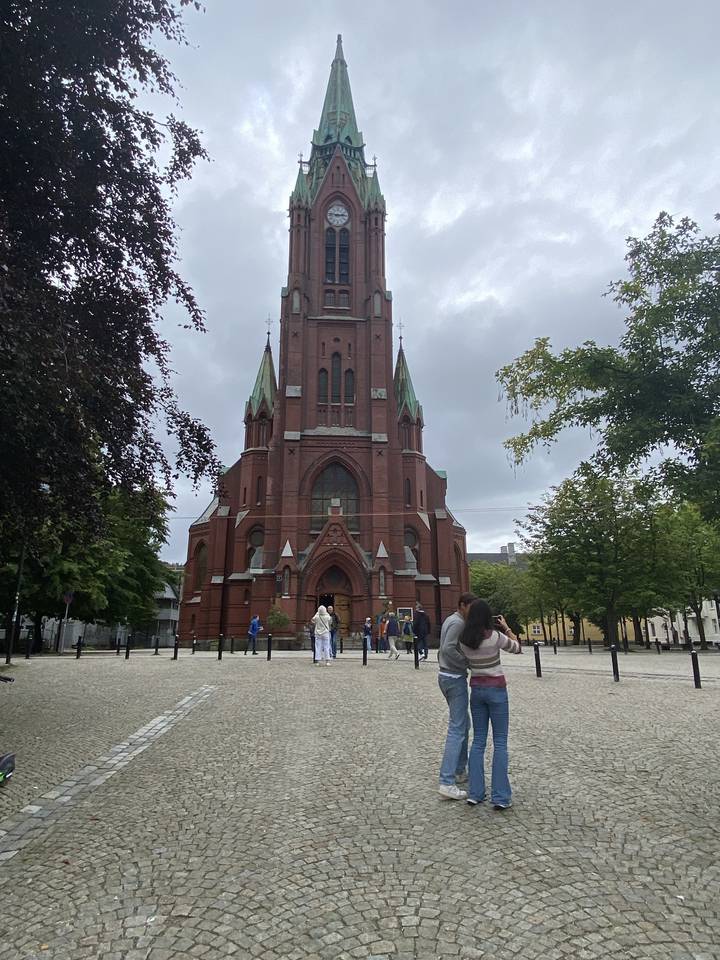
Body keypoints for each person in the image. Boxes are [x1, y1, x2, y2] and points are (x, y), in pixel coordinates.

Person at [459, 600, 521, 810]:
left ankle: (475, 793)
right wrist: (507, 627)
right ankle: (501, 797)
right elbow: (517, 647)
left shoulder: (464, 640)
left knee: (478, 742)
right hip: (497, 691)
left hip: (476, 692)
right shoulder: (495, 637)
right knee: (500, 742)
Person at [437, 592, 476, 800]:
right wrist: (466, 663)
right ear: (462, 605)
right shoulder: (458, 623)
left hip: (446, 675)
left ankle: (460, 770)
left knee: (464, 724)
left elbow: (443, 650)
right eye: (472, 607)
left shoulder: (451, 619)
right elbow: (448, 648)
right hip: (453, 677)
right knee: (457, 729)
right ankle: (447, 781)